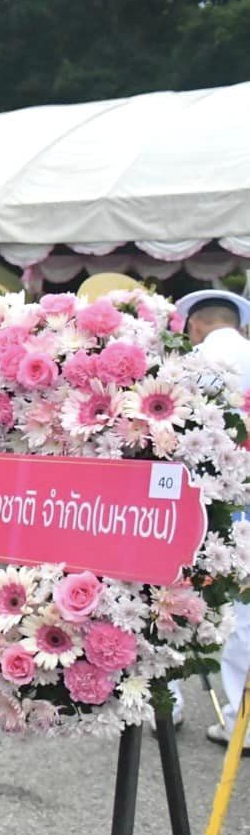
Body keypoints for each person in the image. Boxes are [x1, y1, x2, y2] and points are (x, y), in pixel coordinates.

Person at [178, 289, 250, 749]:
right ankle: (241, 717)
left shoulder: (194, 362)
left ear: (196, 324)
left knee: (173, 596)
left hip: (203, 498)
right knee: (245, 608)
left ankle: (165, 704)